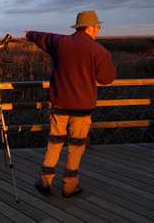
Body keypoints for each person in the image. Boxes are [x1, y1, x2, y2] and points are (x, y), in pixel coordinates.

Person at [23, 11, 116, 197]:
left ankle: (44, 181)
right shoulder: (99, 51)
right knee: (75, 146)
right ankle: (69, 186)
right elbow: (107, 78)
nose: (99, 30)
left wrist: (29, 33)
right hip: (82, 109)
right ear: (90, 27)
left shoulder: (59, 42)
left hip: (59, 104)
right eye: (98, 27)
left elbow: (42, 36)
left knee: (54, 142)